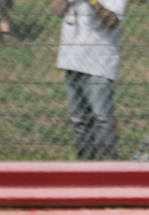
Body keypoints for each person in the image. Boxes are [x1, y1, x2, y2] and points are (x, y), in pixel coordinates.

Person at [52, 0, 127, 160]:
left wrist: (93, 2)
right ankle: (85, 166)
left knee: (102, 118)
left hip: (99, 62)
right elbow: (56, 11)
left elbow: (112, 21)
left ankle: (108, 166)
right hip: (72, 58)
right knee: (79, 120)